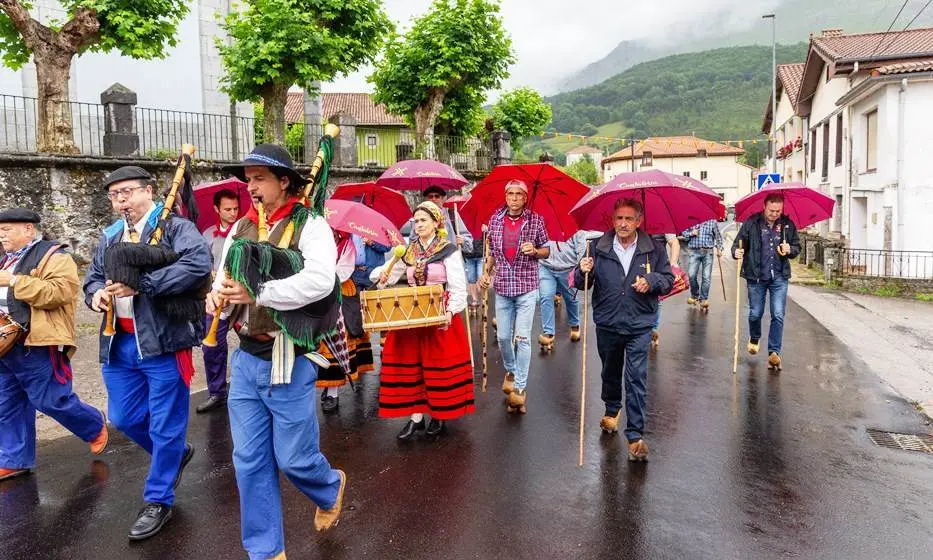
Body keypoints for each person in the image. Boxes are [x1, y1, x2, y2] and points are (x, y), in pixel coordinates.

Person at [209, 144, 347, 560]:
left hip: (289, 354)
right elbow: (223, 278)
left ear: (284, 182)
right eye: (248, 179)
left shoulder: (311, 225)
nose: (250, 187)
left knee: (293, 459)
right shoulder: (241, 228)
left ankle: (329, 486)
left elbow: (321, 281)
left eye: (260, 178)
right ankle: (266, 551)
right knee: (248, 461)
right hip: (246, 356)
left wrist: (259, 293)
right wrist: (217, 296)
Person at [83, 166, 211, 539]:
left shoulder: (173, 227)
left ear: (149, 191)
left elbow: (197, 265)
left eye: (127, 192)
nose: (121, 200)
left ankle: (159, 499)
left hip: (164, 341)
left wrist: (145, 284)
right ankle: (173, 454)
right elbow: (92, 276)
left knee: (166, 423)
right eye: (114, 195)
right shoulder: (110, 236)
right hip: (118, 342)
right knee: (123, 418)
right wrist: (96, 295)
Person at [0, 208, 108, 482]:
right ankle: (14, 459)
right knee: (6, 403)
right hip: (5, 345)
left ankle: (93, 424)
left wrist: (14, 281)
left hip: (35, 342)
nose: (1, 235)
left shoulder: (56, 257)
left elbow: (59, 293)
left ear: (28, 229)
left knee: (50, 400)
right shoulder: (5, 259)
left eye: (7, 229)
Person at [575, 199, 673, 461]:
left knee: (636, 377)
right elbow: (581, 282)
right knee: (610, 369)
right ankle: (611, 408)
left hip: (639, 322)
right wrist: (582, 270)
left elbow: (668, 280)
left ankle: (635, 436)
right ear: (612, 220)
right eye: (619, 218)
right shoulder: (596, 247)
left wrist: (651, 281)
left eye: (629, 219)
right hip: (607, 320)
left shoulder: (654, 248)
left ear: (639, 221)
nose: (623, 224)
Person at [371, 200, 474, 439]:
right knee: (413, 368)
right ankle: (416, 417)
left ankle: (438, 414)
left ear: (437, 222)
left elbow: (459, 288)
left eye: (423, 220)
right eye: (415, 221)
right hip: (412, 317)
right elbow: (389, 274)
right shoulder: (408, 251)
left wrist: (449, 312)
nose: (417, 225)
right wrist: (382, 274)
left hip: (439, 316)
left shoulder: (448, 249)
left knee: (436, 367)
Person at [479, 179, 549, 414]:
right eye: (510, 193)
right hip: (502, 288)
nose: (515, 198)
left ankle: (520, 387)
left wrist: (535, 251)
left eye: (519, 194)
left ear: (526, 197)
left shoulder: (536, 220)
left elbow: (546, 250)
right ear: (505, 196)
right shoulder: (495, 220)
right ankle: (510, 369)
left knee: (522, 338)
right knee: (503, 338)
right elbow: (492, 254)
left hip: (527, 287)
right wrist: (485, 273)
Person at [731, 193, 800, 371]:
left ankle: (773, 353)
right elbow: (738, 244)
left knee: (778, 314)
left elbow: (797, 247)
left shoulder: (787, 225)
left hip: (779, 276)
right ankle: (755, 337)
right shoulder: (752, 223)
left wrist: (790, 249)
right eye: (771, 210)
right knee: (755, 313)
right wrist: (736, 252)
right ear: (764, 206)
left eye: (778, 211)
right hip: (756, 276)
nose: (775, 214)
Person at [317, 233, 378, 413]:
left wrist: (322, 274)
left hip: (341, 291)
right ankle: (328, 385)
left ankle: (333, 392)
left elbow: (344, 271)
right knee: (321, 343)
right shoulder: (316, 242)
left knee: (339, 340)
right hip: (319, 293)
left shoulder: (347, 245)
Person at [197, 188, 240, 413]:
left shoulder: (244, 231)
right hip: (217, 297)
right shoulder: (207, 234)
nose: (233, 213)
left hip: (242, 299)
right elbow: (201, 265)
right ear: (216, 209)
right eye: (227, 209)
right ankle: (216, 392)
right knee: (211, 347)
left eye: (235, 208)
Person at [537, 229, 601, 352]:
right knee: (545, 296)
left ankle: (575, 325)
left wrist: (581, 267)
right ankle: (548, 333)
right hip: (546, 267)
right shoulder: (543, 226)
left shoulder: (574, 229)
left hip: (567, 268)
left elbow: (581, 250)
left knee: (570, 298)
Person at [403, 185, 473, 253]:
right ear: (426, 199)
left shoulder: (452, 214)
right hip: (426, 259)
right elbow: (412, 241)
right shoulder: (419, 216)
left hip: (450, 259)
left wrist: (462, 241)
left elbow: (468, 240)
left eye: (437, 196)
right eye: (430, 197)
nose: (433, 199)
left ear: (442, 198)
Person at [681, 219, 724, 310]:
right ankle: (694, 295)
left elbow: (718, 236)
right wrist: (691, 233)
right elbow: (684, 234)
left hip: (708, 252)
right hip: (694, 251)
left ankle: (704, 299)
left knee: (706, 277)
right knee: (691, 275)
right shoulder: (690, 220)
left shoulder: (712, 221)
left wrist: (719, 249)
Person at [648, 233, 680, 347]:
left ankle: (652, 329)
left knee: (656, 298)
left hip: (658, 267)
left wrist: (673, 263)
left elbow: (674, 242)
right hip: (637, 265)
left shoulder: (663, 222)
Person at [461, 225, 486, 313]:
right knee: (471, 279)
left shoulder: (482, 223)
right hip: (469, 255)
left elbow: (489, 239)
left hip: (481, 254)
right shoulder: (464, 226)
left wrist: (486, 231)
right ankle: (475, 299)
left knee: (481, 277)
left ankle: (483, 298)